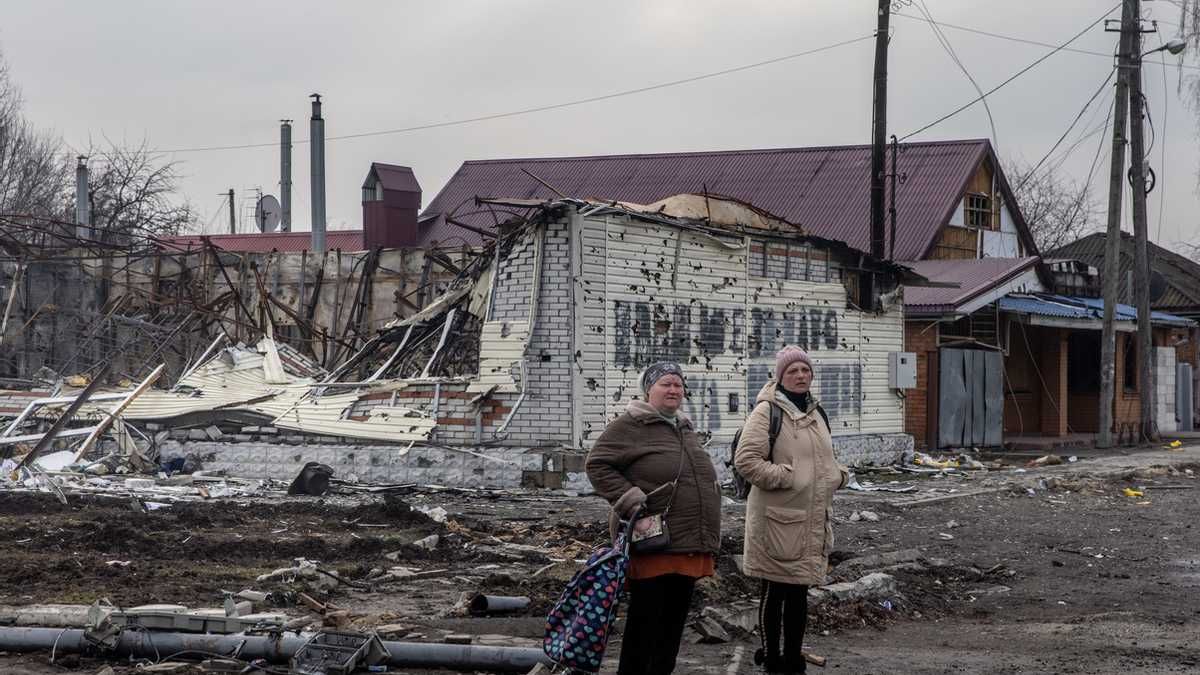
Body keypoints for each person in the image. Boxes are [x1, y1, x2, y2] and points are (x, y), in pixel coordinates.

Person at [585, 361, 722, 675]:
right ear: (648, 390)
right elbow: (597, 465)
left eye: (678, 384)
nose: (674, 390)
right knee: (644, 626)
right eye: (665, 384)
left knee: (671, 629)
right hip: (654, 542)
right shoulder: (631, 425)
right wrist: (630, 499)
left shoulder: (683, 427)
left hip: (688, 542)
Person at [735, 346, 849, 674]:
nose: (800, 376)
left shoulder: (817, 412)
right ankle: (773, 659)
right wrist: (788, 476)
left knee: (799, 592)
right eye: (792, 371)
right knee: (775, 589)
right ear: (780, 376)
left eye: (805, 370)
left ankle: (793, 659)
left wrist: (838, 476)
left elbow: (822, 458)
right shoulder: (766, 411)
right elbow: (747, 462)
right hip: (776, 518)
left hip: (810, 516)